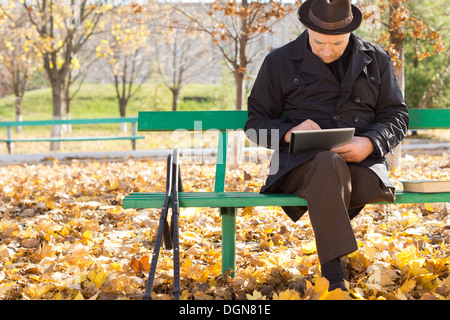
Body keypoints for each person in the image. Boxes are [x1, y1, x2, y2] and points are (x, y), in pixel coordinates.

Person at [245, 0, 409, 291]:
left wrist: (371, 143)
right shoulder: (279, 61)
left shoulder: (377, 59)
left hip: (361, 169)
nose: (325, 50)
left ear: (350, 32)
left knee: (331, 171)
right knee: (326, 163)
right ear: (306, 28)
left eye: (335, 43)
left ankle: (334, 274)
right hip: (299, 168)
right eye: (318, 41)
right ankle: (335, 277)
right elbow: (255, 123)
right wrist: (288, 132)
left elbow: (397, 115)